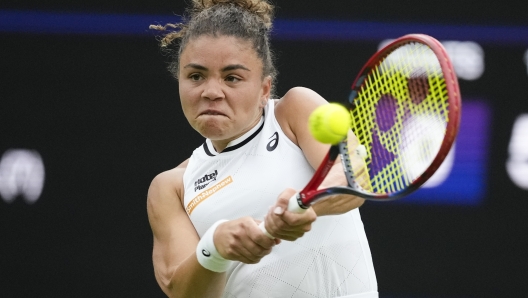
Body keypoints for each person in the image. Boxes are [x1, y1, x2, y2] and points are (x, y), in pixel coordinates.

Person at [147, 0, 378, 297]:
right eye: (195, 76)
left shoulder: (293, 111)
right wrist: (214, 246)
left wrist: (304, 204)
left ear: (264, 89)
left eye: (232, 78)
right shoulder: (171, 187)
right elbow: (181, 291)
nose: (211, 92)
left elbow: (352, 174)